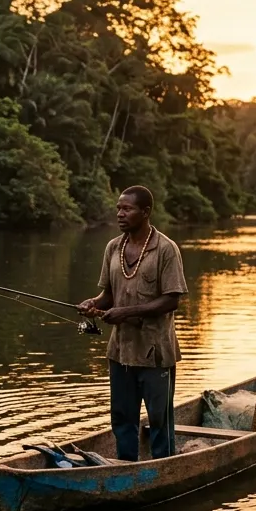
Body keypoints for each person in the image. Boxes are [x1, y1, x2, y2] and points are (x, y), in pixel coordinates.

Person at [77, 186, 188, 461]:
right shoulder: (113, 247)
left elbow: (172, 300)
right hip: (120, 352)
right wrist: (92, 304)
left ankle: (165, 471)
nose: (120, 214)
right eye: (118, 208)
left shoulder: (166, 249)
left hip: (155, 353)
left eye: (127, 209)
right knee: (122, 418)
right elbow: (108, 296)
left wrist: (125, 312)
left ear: (146, 212)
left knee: (160, 421)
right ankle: (125, 468)